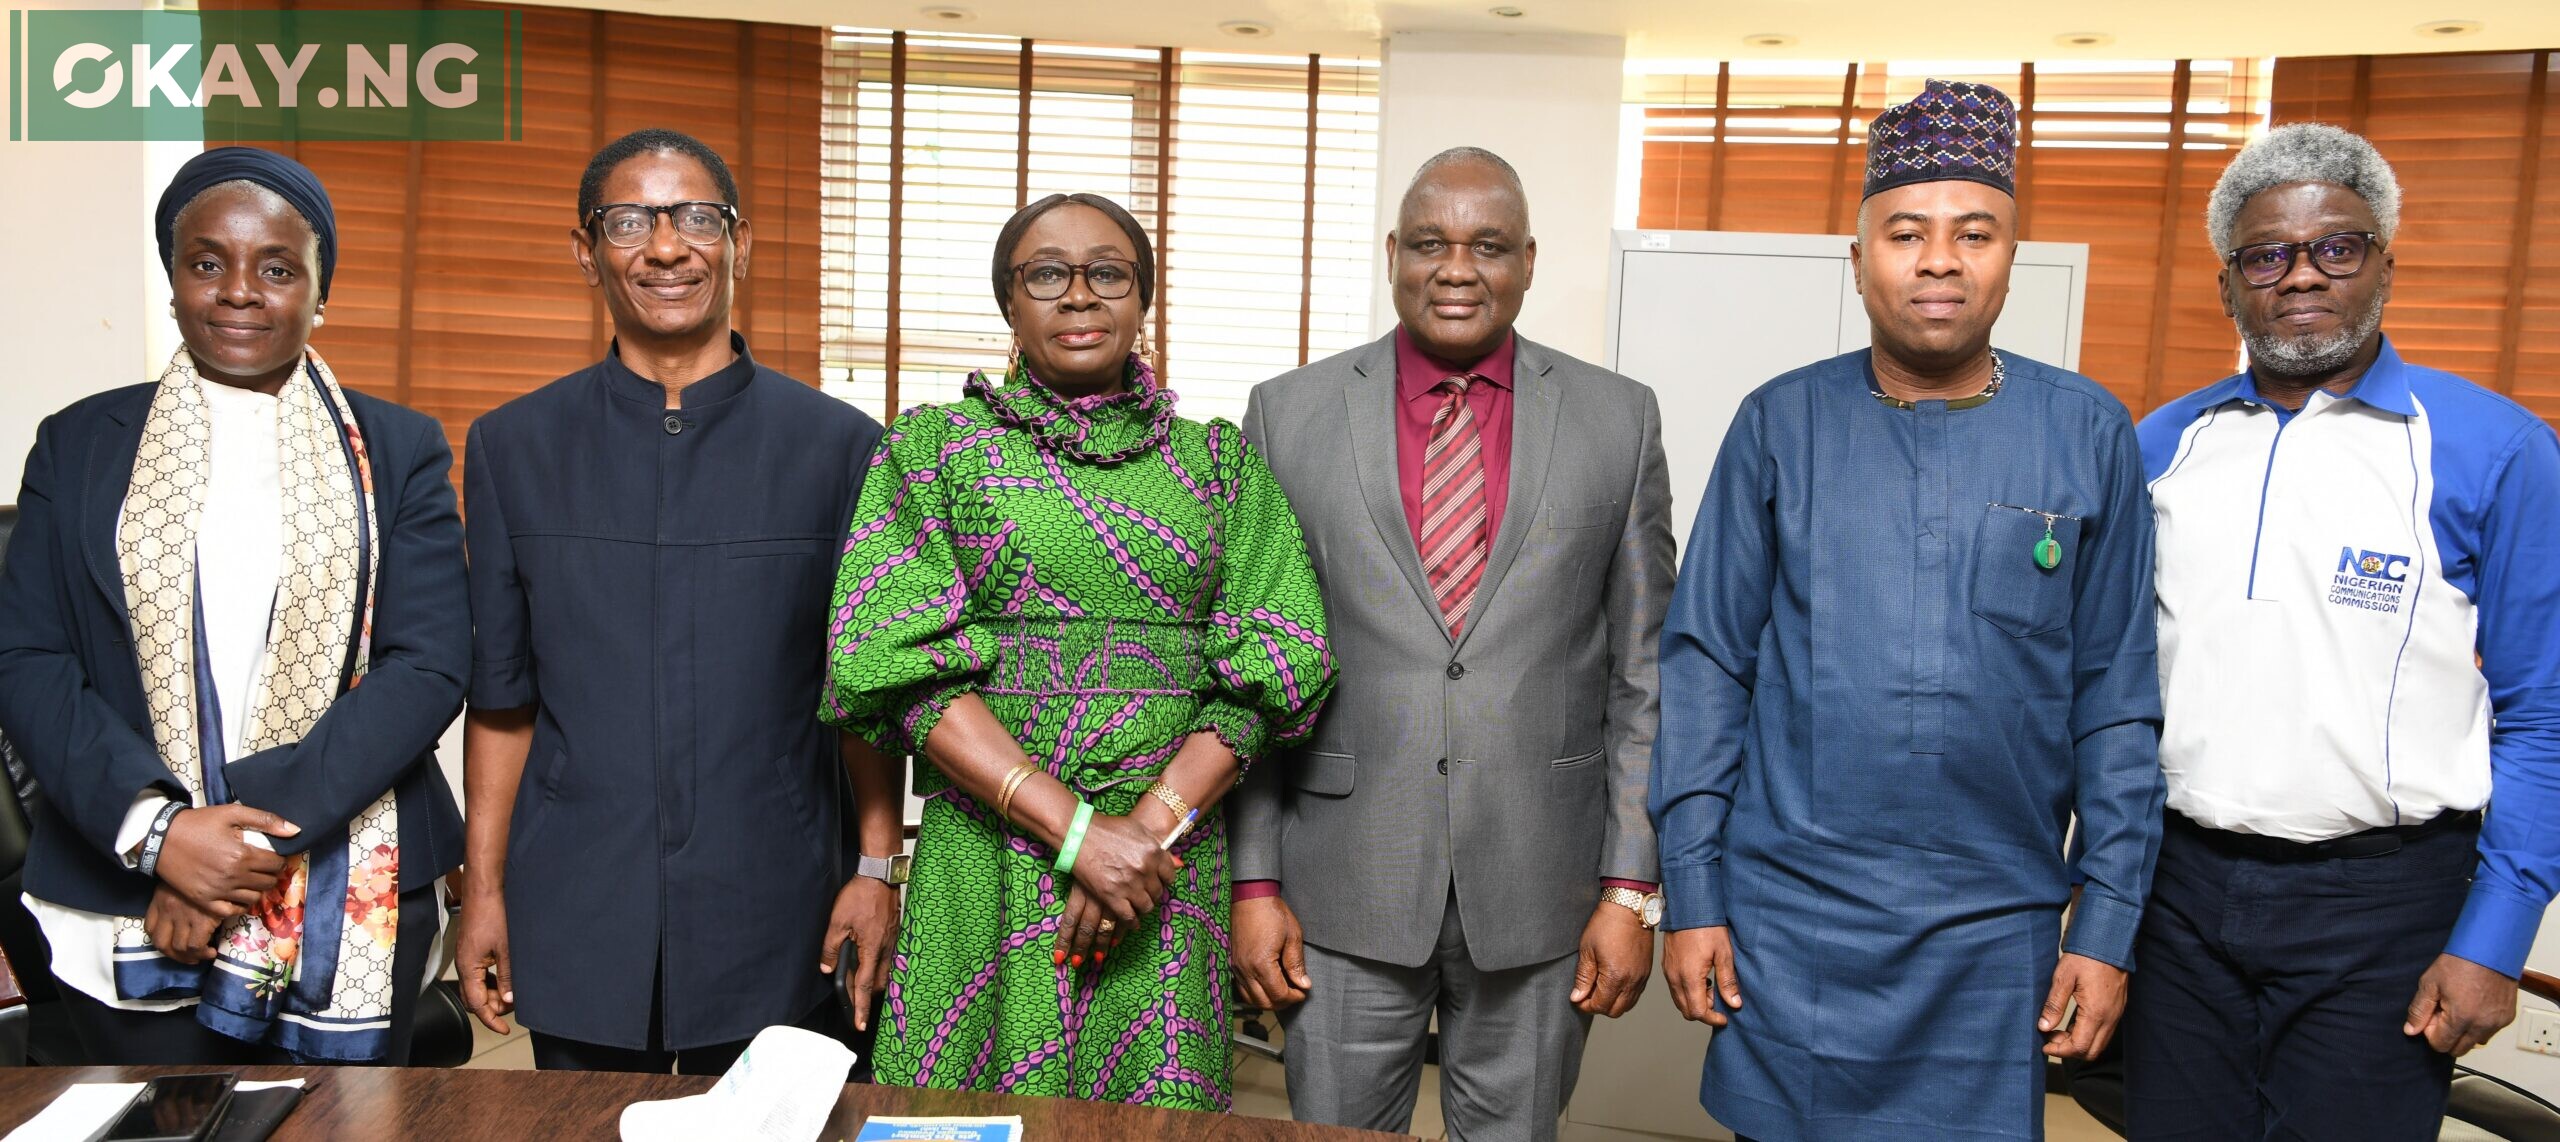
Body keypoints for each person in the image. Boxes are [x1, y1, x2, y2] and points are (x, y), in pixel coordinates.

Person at [1650, 80, 2166, 1142]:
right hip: (1790, 919)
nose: (1940, 260)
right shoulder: (1778, 424)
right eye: (1906, 231)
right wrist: (1693, 891)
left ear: (2010, 255)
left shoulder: (2088, 434)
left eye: (1974, 232)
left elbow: (2115, 703)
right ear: (1858, 258)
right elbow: (1706, 669)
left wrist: (2105, 924)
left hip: (1995, 932)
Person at [823, 191, 1334, 1108]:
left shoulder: (1219, 463)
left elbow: (1277, 660)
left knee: (1155, 1117)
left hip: (1164, 866)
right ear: (1008, 303)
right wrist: (1078, 833)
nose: (1079, 296)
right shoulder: (933, 450)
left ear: (1143, 300)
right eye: (1047, 274)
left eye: (1108, 273)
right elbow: (891, 662)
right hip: (986, 855)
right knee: (959, 1114)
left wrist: (1137, 837)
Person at [2125, 123, 2560, 1141]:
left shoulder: (2496, 449)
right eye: (2266, 254)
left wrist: (2495, 936)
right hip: (2178, 893)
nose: (2301, 275)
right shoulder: (2158, 445)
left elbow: (2544, 712)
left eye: (2337, 246)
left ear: (2384, 263)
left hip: (2386, 903)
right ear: (2229, 283)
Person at [1233, 147, 1675, 1141]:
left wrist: (1631, 887)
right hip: (1340, 882)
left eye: (1486, 245)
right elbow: (1257, 668)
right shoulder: (1288, 413)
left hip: (1544, 882)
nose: (1456, 268)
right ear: (1393, 252)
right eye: (1429, 242)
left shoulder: (1617, 419)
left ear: (1526, 259)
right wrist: (1253, 880)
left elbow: (1645, 673)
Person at [0, 147, 467, 1064]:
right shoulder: (79, 443)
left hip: (349, 872)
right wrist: (161, 839)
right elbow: (30, 660)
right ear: (172, 280)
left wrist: (232, 849)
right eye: (207, 262)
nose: (239, 291)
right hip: (119, 881)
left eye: (278, 268)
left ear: (319, 290)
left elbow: (428, 664)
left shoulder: (400, 447)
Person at [454, 129, 896, 1074]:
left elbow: (864, 692)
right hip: (577, 898)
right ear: (587, 252)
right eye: (630, 221)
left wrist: (875, 867)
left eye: (697, 218)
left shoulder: (842, 449)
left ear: (739, 243)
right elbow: (501, 700)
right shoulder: (511, 448)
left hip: (780, 903)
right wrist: (483, 891)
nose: (666, 247)